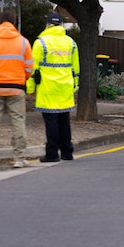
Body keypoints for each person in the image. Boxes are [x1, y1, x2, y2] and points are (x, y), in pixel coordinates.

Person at [26, 11, 80, 163]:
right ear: (61, 25)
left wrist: (30, 89)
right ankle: (67, 152)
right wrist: (75, 85)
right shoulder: (71, 43)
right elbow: (75, 68)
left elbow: (32, 68)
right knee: (64, 120)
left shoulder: (40, 42)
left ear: (48, 25)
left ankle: (52, 153)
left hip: (47, 88)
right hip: (65, 87)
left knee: (51, 121)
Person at [0, 8, 34, 169]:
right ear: (14, 23)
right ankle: (19, 158)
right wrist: (23, 79)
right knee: (18, 122)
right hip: (16, 87)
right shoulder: (23, 42)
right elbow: (29, 67)